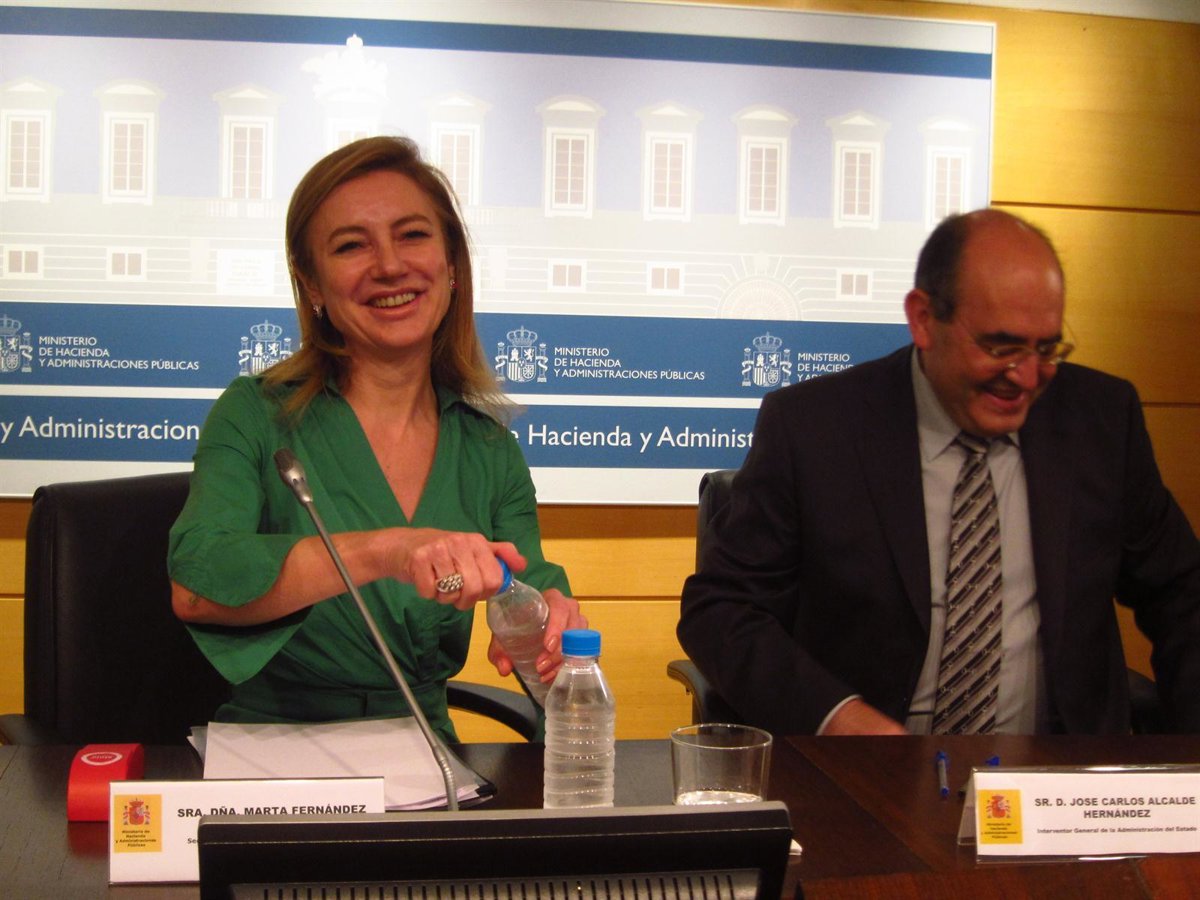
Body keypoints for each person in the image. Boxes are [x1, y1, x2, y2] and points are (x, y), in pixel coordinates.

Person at [678, 208, 1200, 736]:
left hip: (1055, 773)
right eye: (1001, 347)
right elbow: (721, 610)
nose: (1025, 377)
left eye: (1046, 350)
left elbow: (1183, 592)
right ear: (924, 319)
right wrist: (837, 718)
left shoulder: (1100, 421)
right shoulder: (815, 429)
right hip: (867, 769)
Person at [169, 136, 584, 741]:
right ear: (313, 285)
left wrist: (548, 624)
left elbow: (529, 576)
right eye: (351, 245)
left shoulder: (489, 448)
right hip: (273, 748)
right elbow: (197, 586)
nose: (389, 266)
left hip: (429, 755)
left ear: (451, 265)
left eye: (412, 235)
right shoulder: (253, 413)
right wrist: (388, 550)